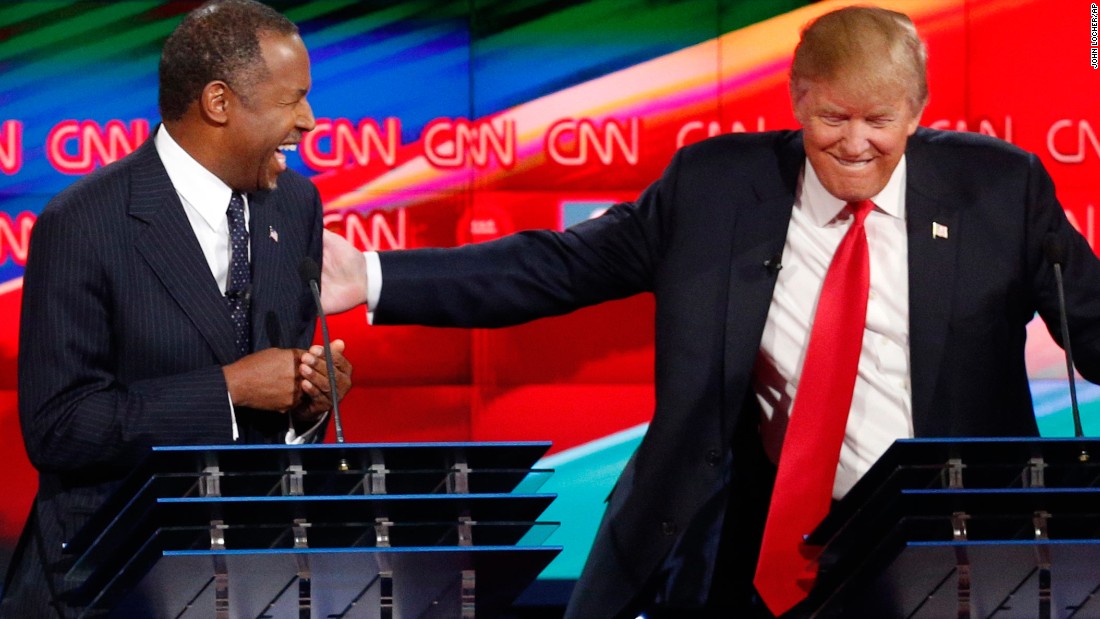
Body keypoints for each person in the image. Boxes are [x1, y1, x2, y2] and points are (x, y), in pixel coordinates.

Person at [319, 5, 1100, 619]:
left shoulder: (998, 190)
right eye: (833, 117)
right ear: (797, 99)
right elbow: (557, 267)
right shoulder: (715, 187)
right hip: (752, 547)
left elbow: (1092, 324)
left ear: (919, 110)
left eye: (881, 120)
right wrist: (373, 275)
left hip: (945, 546)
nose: (856, 143)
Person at [0, 1, 352, 616]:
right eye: (291, 101)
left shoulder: (296, 205)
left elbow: (281, 397)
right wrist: (229, 389)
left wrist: (308, 397)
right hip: (111, 577)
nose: (310, 121)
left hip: (254, 572)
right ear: (218, 103)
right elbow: (60, 428)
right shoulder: (84, 221)